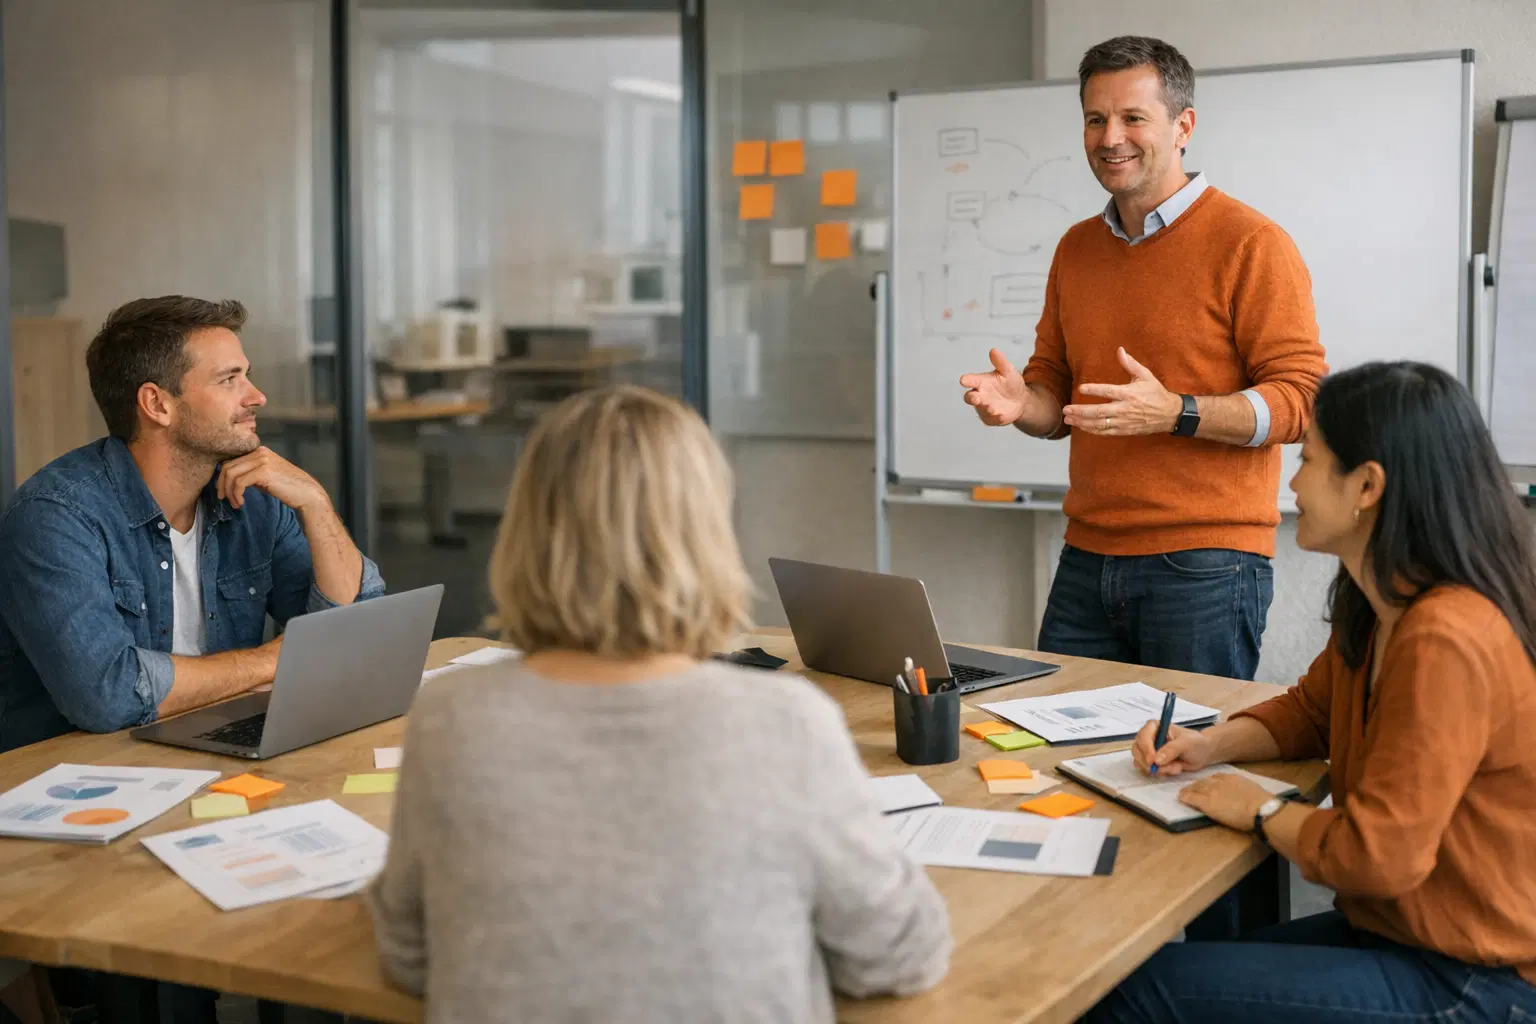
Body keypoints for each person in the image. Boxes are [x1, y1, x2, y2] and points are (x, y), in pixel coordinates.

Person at [368, 385, 952, 1022]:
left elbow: (409, 954)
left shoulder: (449, 717)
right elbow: (898, 956)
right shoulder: (785, 723)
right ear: (704, 532)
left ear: (527, 529)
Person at [1088, 362, 1536, 1023]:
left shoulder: (1447, 636)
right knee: (1135, 973)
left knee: (1132, 996)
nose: (1291, 481)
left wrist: (1260, 812)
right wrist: (1209, 745)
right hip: (1404, 938)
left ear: (1367, 486)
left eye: (1308, 460)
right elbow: (1311, 713)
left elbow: (1377, 858)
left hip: (1471, 981)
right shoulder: (1379, 600)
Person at [959, 35, 1328, 681]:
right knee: (1051, 746)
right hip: (1086, 556)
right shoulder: (1076, 248)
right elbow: (1057, 399)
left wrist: (1177, 412)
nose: (1110, 138)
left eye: (1133, 117)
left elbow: (1302, 401)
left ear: (1183, 125)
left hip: (1206, 565)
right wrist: (1024, 405)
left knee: (1181, 761)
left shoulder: (1252, 242)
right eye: (1095, 119)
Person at [0, 295, 382, 754]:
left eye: (248, 374)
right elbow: (107, 695)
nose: (256, 396)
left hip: (209, 750)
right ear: (157, 404)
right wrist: (270, 662)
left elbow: (359, 632)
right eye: (229, 380)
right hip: (74, 783)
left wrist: (316, 504)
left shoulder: (254, 496)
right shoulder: (56, 517)